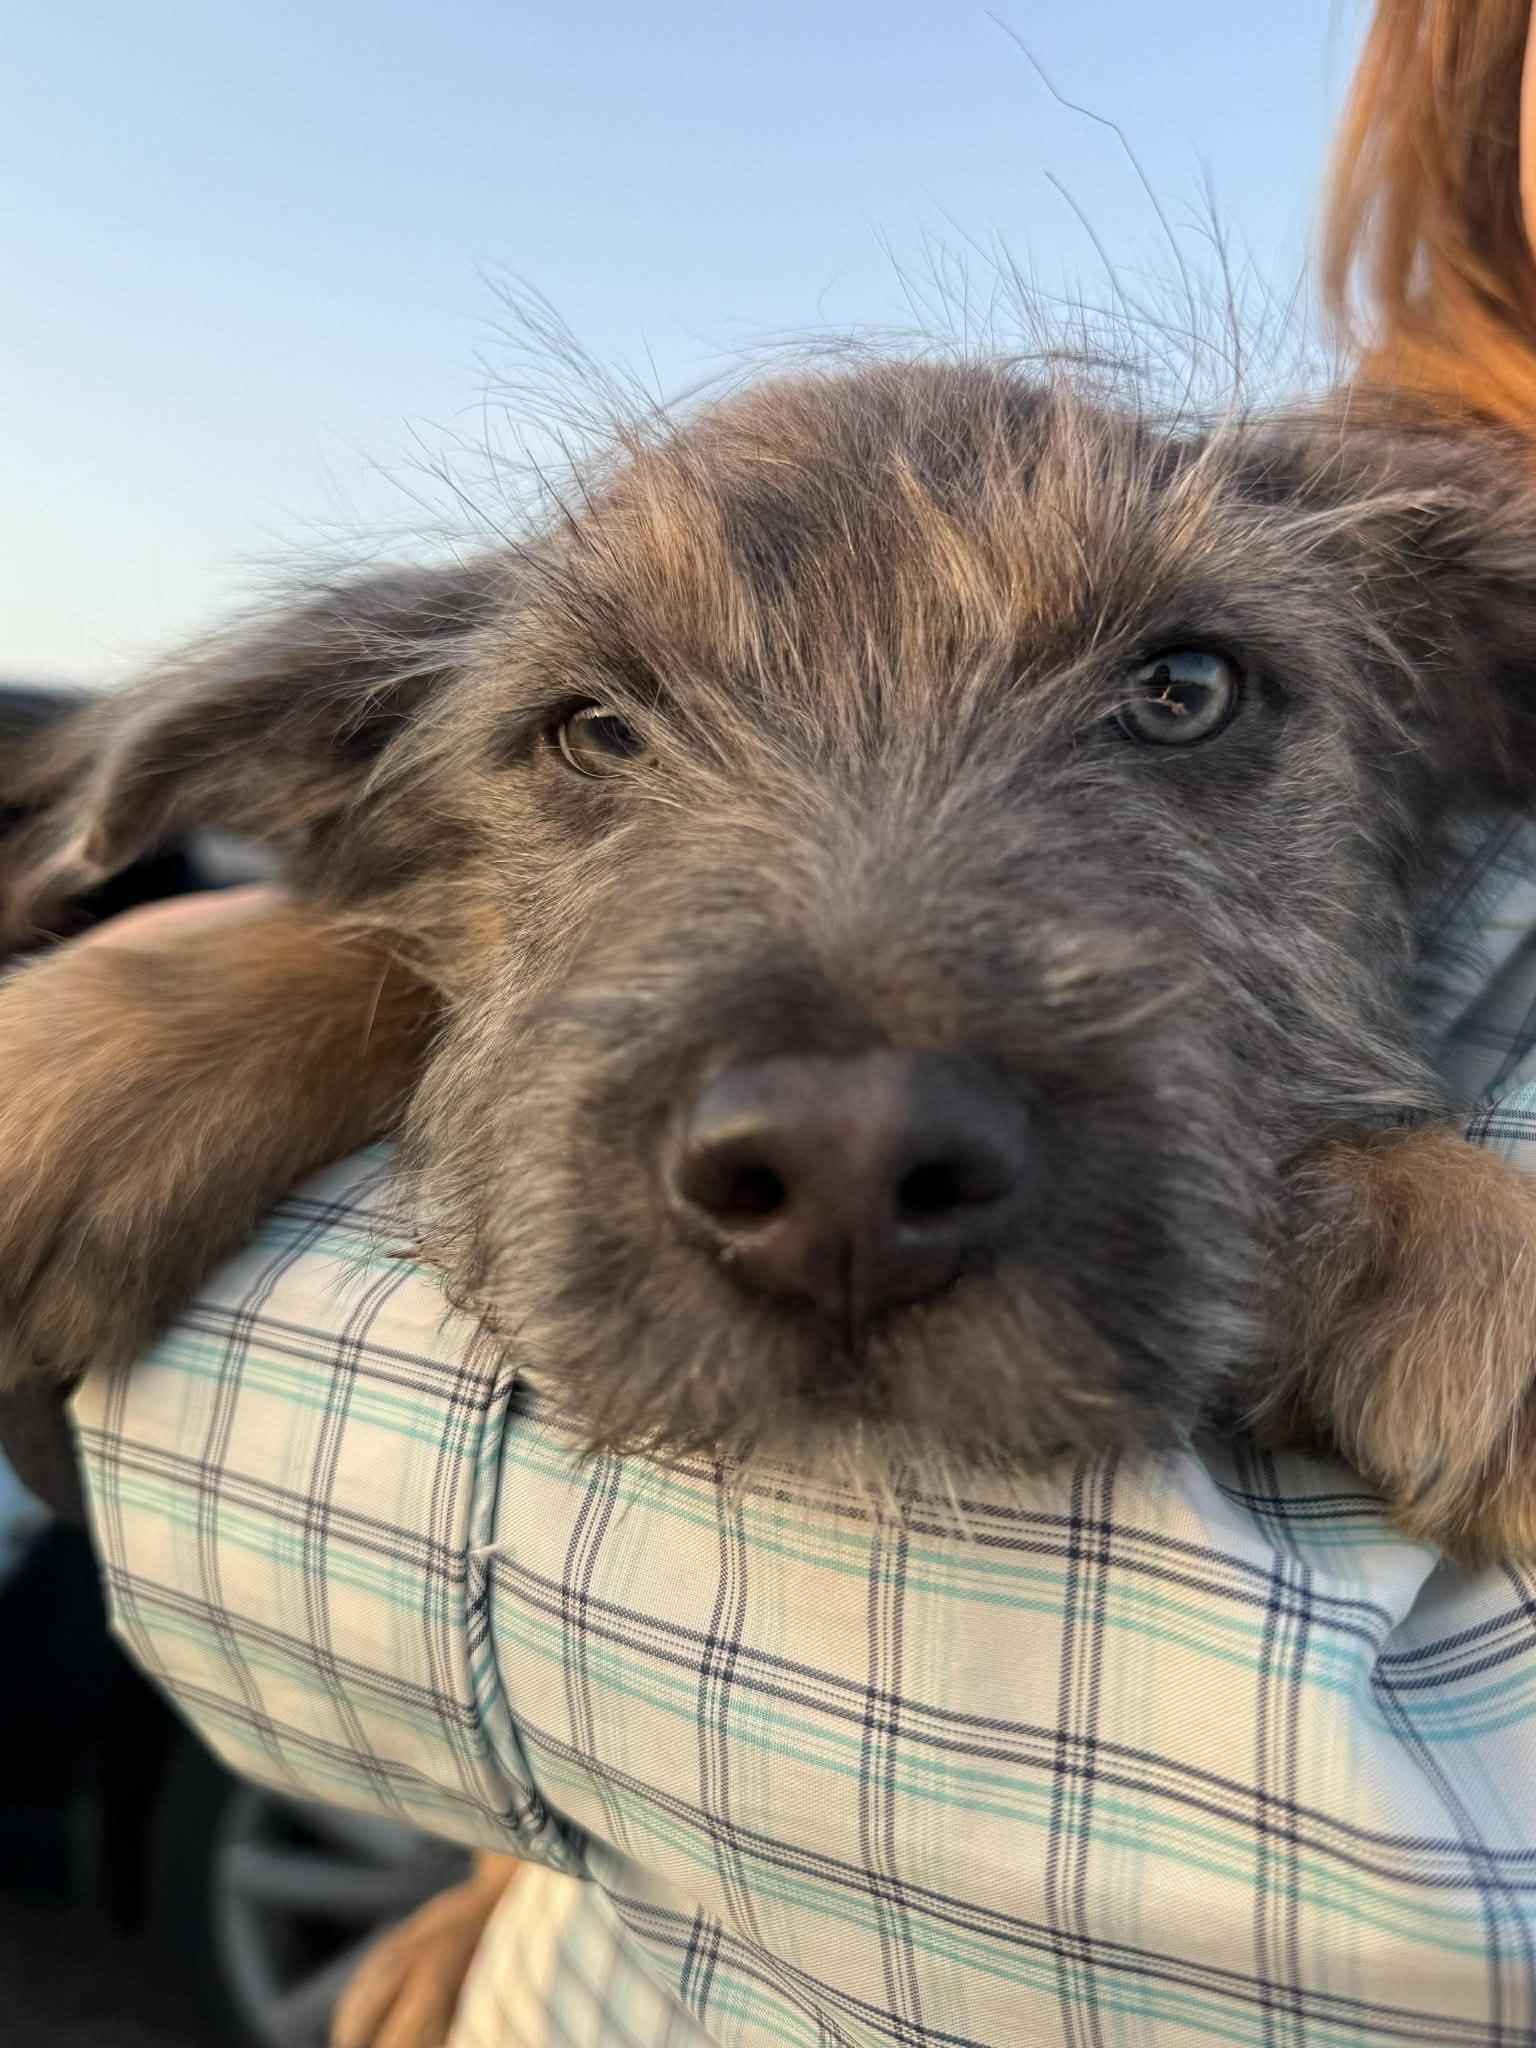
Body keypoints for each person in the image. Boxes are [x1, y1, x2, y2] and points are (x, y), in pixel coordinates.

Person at [16, 5, 1536, 2041]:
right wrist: (319, 986)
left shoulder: (1448, 614)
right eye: (600, 727)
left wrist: (1387, 1209)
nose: (858, 1109)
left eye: (1182, 698)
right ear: (1474, 99)